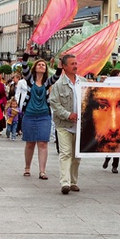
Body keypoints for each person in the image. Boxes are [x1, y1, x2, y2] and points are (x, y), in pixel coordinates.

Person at [20, 42, 63, 180]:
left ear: (45, 69)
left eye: (43, 65)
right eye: (39, 64)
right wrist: (28, 50)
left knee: (43, 143)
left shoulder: (47, 83)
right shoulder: (30, 81)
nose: (41, 66)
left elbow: (57, 75)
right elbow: (24, 65)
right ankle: (27, 167)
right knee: (30, 143)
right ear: (35, 67)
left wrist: (61, 60)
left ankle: (42, 171)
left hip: (44, 116)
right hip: (30, 115)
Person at [48, 54, 86, 195]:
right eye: (72, 64)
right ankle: (65, 182)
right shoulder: (58, 84)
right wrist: (67, 114)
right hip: (64, 124)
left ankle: (73, 181)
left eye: (76, 63)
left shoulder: (82, 82)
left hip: (80, 126)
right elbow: (54, 103)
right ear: (64, 66)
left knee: (77, 155)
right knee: (65, 153)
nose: (75, 66)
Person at [99, 68, 120, 173]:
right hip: (109, 116)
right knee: (110, 138)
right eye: (116, 76)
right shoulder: (108, 87)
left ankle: (115, 165)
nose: (118, 79)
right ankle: (107, 158)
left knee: (118, 141)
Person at [13, 71, 28, 136]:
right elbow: (18, 92)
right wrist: (16, 101)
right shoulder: (21, 82)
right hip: (22, 99)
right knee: (21, 116)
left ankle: (26, 130)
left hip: (30, 100)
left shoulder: (32, 81)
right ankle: (18, 129)